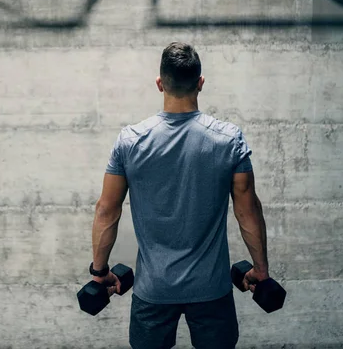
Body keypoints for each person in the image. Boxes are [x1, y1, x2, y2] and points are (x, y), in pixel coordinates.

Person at [89, 42, 270, 349]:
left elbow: (107, 210)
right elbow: (247, 211)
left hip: (153, 290)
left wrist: (99, 273)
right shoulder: (229, 139)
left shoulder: (131, 141)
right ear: (200, 82)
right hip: (211, 289)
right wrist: (261, 272)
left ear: (160, 83)